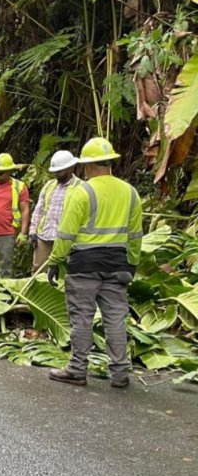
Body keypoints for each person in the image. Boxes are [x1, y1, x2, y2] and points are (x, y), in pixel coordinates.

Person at [47, 137, 142, 389]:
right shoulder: (130, 193)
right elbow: (135, 235)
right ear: (110, 162)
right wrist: (131, 263)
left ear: (87, 166)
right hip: (117, 264)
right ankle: (120, 373)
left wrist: (55, 260)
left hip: (85, 266)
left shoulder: (82, 192)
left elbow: (66, 233)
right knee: (115, 319)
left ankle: (77, 370)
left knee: (82, 318)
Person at [29, 151, 80, 270]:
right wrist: (33, 231)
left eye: (59, 171)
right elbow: (39, 210)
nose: (56, 174)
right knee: (39, 270)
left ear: (70, 168)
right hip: (44, 237)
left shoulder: (80, 187)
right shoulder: (49, 185)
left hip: (66, 239)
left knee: (64, 273)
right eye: (55, 172)